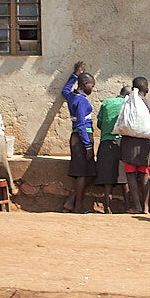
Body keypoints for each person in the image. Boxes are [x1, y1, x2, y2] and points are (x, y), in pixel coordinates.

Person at [120, 76, 150, 214]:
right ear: (146, 89)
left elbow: (121, 123)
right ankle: (146, 207)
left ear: (133, 89)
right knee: (144, 174)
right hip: (145, 145)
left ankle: (137, 206)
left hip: (128, 144)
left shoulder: (128, 103)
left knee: (130, 175)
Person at [60, 61, 96, 213]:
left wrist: (75, 74)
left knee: (90, 172)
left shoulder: (71, 96)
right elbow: (81, 124)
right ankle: (78, 207)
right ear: (86, 84)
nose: (92, 89)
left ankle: (71, 201)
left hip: (76, 136)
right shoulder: (81, 101)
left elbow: (65, 90)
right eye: (92, 86)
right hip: (83, 137)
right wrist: (88, 145)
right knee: (83, 173)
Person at [94, 85, 130, 213]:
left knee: (107, 177)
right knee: (125, 176)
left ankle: (107, 206)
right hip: (122, 143)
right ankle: (128, 207)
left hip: (105, 142)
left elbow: (99, 124)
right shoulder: (128, 104)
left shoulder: (106, 102)